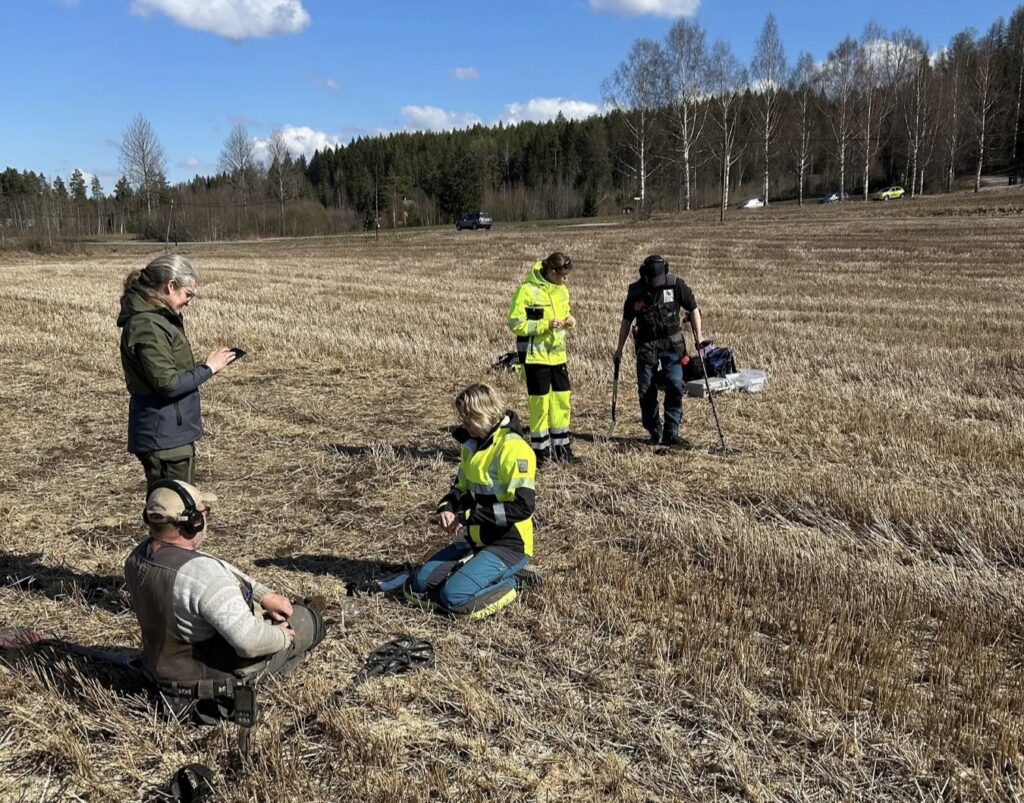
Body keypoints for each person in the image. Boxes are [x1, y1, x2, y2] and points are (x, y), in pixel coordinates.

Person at [124, 480, 325, 722]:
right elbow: (248, 642)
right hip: (204, 688)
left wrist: (263, 595)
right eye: (203, 512)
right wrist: (283, 636)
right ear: (193, 522)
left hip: (159, 671)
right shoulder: (203, 576)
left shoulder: (139, 556)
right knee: (308, 622)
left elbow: (206, 563)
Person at [404, 384, 536, 620]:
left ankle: (514, 582)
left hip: (509, 545)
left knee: (452, 599)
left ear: (483, 415)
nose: (463, 425)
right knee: (419, 585)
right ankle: (475, 571)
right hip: (474, 538)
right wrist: (446, 508)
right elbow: (460, 489)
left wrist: (468, 517)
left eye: (467, 420)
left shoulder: (515, 449)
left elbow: (523, 507)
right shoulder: (471, 447)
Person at [118, 254, 238, 490]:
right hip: (164, 439)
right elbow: (168, 383)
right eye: (188, 294)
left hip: (169, 434)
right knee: (174, 514)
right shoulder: (148, 325)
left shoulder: (158, 320)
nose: (189, 302)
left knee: (173, 510)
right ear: (170, 286)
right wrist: (209, 368)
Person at [613, 255, 703, 447]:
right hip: (646, 345)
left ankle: (672, 432)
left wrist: (700, 337)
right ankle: (654, 431)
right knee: (646, 390)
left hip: (672, 344)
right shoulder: (635, 291)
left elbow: (693, 308)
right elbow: (627, 321)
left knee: (675, 384)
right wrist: (619, 348)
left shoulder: (676, 285)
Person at [507, 252, 577, 465]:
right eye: (562, 276)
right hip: (536, 357)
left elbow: (566, 311)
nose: (565, 280)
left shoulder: (562, 291)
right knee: (539, 404)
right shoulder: (526, 291)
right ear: (552, 272)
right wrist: (544, 325)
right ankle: (541, 452)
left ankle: (562, 449)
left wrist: (570, 320)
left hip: (558, 356)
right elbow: (515, 323)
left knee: (561, 401)